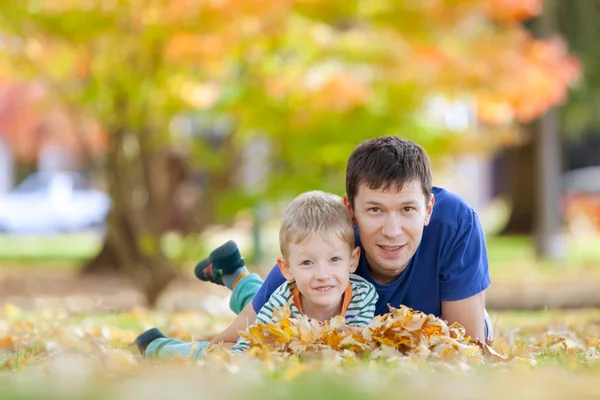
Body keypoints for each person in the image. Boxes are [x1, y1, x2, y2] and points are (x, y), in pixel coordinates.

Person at [195, 136, 493, 347]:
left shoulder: (456, 224)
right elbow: (230, 342)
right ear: (350, 209)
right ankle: (236, 277)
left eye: (407, 209)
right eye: (375, 209)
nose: (392, 231)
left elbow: (467, 348)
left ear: (428, 209)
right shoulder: (327, 241)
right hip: (314, 305)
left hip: (438, 319)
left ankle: (236, 277)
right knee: (277, 312)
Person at [137, 191, 378, 358]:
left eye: (334, 260)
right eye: (307, 262)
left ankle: (233, 273)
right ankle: (158, 347)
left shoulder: (363, 295)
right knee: (217, 353)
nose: (323, 275)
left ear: (353, 260)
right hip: (270, 344)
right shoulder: (280, 302)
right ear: (286, 269)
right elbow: (247, 338)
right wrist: (239, 355)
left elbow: (356, 345)